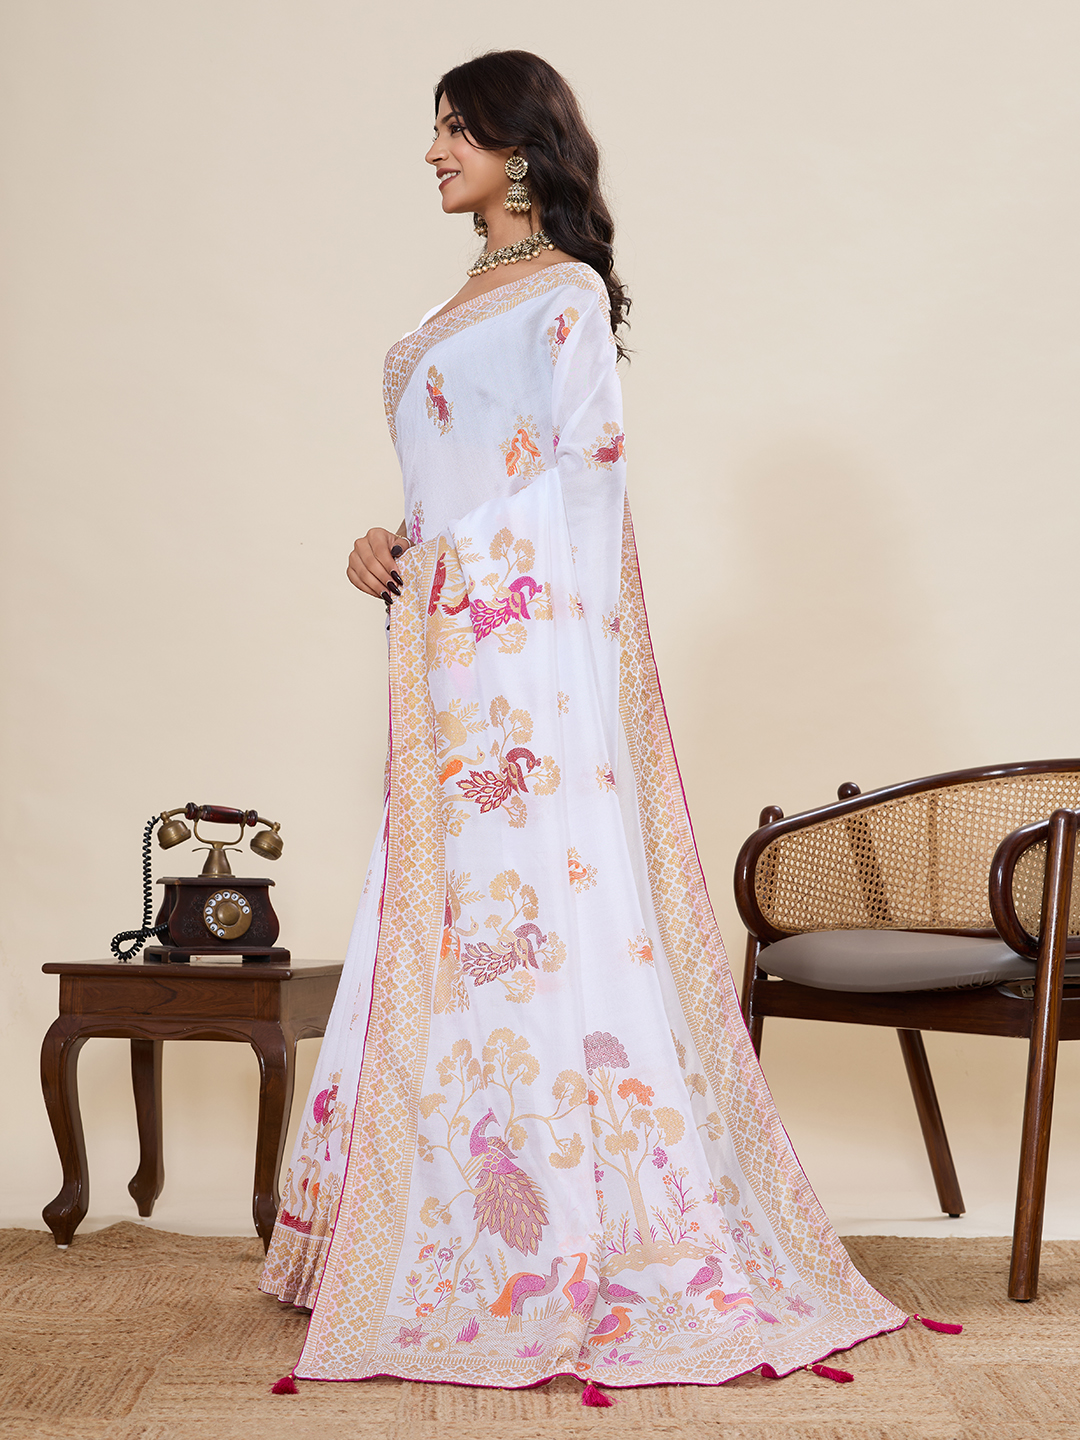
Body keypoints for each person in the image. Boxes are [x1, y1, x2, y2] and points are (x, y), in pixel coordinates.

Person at [260, 49, 906, 1395]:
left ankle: (568, 1243)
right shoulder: (454, 302)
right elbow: (450, 487)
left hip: (519, 675)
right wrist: (389, 544)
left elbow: (583, 486)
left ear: (520, 148)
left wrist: (462, 579)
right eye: (436, 130)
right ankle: (409, 1236)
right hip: (445, 664)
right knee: (440, 921)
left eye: (455, 130)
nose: (433, 152)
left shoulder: (562, 296)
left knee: (526, 923)